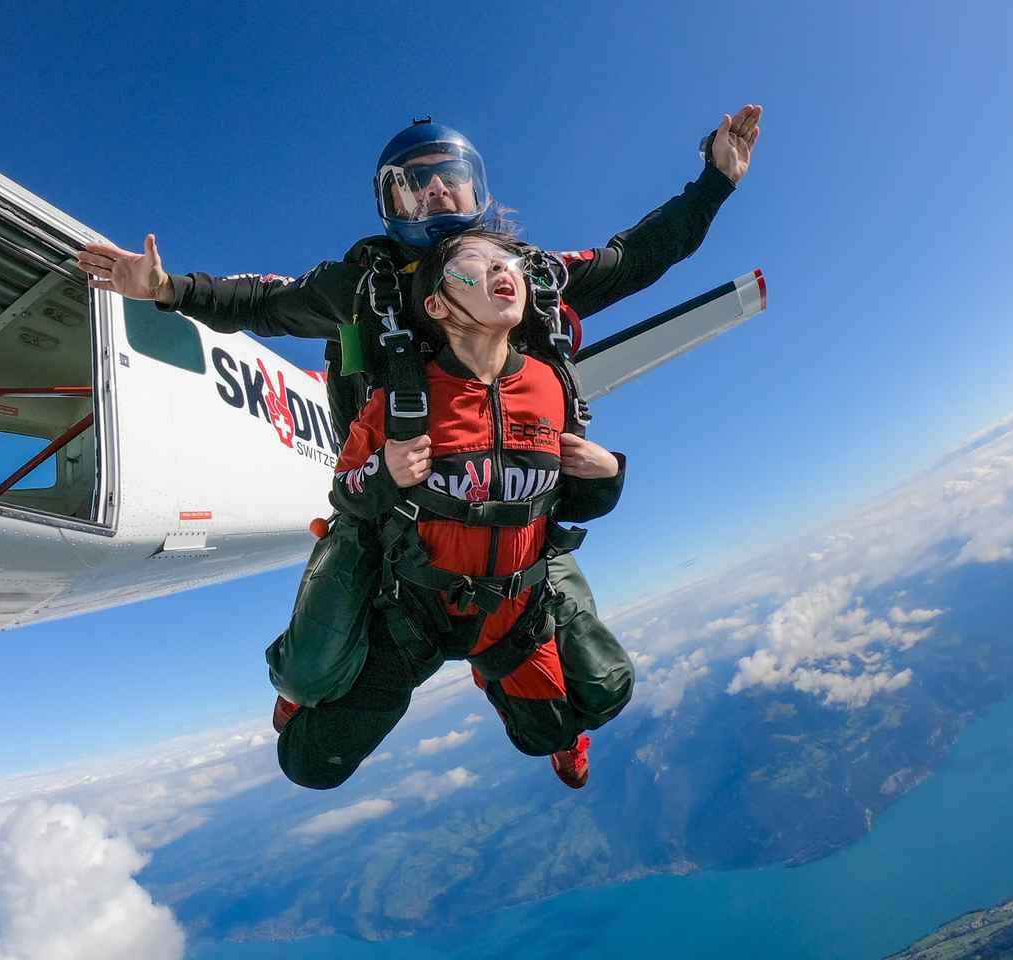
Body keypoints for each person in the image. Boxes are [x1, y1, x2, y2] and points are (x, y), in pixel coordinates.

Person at [77, 106, 761, 746]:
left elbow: (636, 257)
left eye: (450, 177)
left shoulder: (524, 277)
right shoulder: (363, 285)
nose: (436, 192)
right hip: (389, 501)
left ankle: (516, 675)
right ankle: (315, 680)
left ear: (476, 190)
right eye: (414, 184)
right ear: (391, 204)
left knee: (591, 693)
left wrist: (714, 181)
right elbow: (264, 301)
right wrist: (166, 290)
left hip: (510, 500)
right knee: (312, 679)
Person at [278, 230, 627, 789]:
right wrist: (384, 473)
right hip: (413, 611)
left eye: (506, 263)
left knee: (589, 704)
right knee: (310, 764)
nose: (502, 271)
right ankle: (316, 671)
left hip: (511, 612)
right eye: (477, 265)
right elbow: (346, 493)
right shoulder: (402, 398)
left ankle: (519, 698)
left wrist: (609, 473)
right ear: (437, 305)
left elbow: (568, 503)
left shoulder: (551, 388)